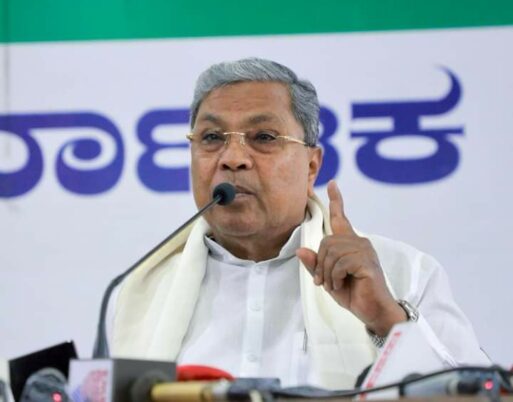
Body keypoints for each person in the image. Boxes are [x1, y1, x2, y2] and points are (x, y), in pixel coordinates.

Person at [109, 58, 489, 389]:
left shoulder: (402, 272)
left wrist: (387, 319)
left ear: (312, 166)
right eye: (211, 137)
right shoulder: (140, 292)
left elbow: (481, 393)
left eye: (263, 137)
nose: (233, 158)